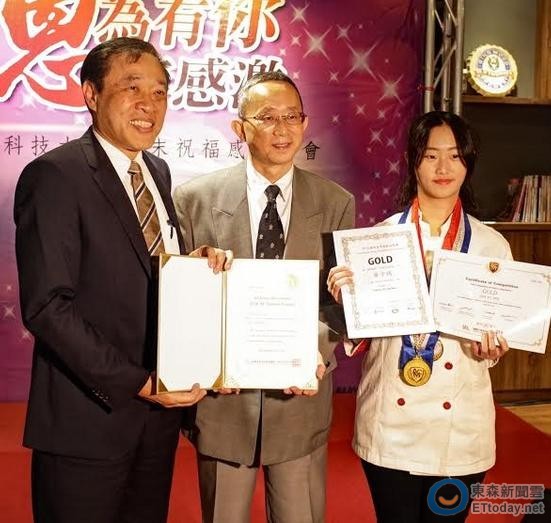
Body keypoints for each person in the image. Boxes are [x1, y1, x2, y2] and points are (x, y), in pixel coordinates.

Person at [14, 37, 229, 523]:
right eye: (132, 88)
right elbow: (48, 306)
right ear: (91, 94)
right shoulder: (55, 175)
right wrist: (139, 383)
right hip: (88, 420)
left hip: (156, 421)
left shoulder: (158, 171)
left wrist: (192, 267)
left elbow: (141, 267)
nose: (148, 104)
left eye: (159, 92)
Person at [173, 71, 355, 523]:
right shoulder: (194, 199)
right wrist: (204, 359)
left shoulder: (335, 202)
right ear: (240, 128)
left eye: (292, 117)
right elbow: (180, 301)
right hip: (223, 402)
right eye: (267, 117)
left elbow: (339, 299)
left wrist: (314, 353)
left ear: (305, 124)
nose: (282, 129)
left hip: (300, 398)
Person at [327, 111, 512, 523]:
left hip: (460, 425)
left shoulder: (491, 245)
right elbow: (358, 336)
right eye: (431, 156)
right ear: (414, 162)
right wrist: (345, 304)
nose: (443, 167)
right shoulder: (377, 238)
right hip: (391, 423)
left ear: (468, 162)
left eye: (455, 156)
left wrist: (493, 349)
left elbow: (498, 330)